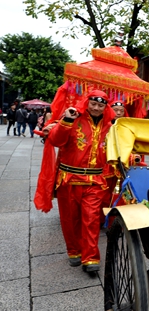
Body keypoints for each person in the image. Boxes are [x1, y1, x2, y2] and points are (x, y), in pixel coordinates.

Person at [46, 90, 115, 273]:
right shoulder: (73, 117)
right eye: (93, 103)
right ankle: (74, 251)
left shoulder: (111, 125)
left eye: (101, 105)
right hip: (69, 179)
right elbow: (55, 140)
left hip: (95, 180)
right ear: (87, 102)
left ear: (105, 107)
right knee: (71, 220)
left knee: (91, 219)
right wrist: (66, 121)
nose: (96, 108)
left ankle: (91, 257)